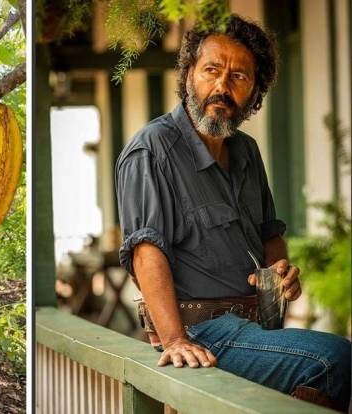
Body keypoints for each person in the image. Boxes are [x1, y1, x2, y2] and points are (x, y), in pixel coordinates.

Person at [115, 14, 350, 412]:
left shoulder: (246, 151)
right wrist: (175, 341)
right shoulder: (152, 149)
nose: (222, 86)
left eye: (239, 77)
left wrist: (282, 272)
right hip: (202, 331)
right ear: (189, 74)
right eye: (211, 70)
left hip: (255, 326)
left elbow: (269, 233)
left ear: (255, 91)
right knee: (334, 358)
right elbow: (145, 252)